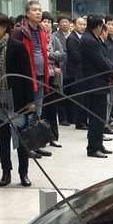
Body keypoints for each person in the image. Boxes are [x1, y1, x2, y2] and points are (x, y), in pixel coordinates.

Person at [0, 13, 33, 187]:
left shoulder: (17, 46)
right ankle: (6, 172)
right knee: (2, 139)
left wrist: (30, 101)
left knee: (21, 138)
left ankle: (23, 172)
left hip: (17, 100)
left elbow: (27, 75)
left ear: (5, 27)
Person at [12, 0, 52, 157]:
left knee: (37, 112)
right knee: (27, 113)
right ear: (27, 13)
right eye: (34, 10)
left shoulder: (42, 31)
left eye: (40, 10)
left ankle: (36, 144)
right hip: (27, 79)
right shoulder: (20, 32)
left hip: (41, 77)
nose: (38, 12)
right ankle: (26, 147)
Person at [80, 14, 113, 158]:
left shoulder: (93, 38)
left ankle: (98, 144)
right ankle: (93, 148)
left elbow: (104, 58)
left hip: (99, 83)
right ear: (98, 26)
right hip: (94, 84)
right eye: (103, 25)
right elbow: (100, 62)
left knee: (100, 117)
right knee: (96, 118)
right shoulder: (89, 40)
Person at [41, 11, 66, 148]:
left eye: (49, 22)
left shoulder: (55, 39)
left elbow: (61, 55)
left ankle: (53, 137)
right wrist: (52, 55)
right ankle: (41, 138)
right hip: (41, 76)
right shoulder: (37, 38)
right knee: (42, 109)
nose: (47, 24)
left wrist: (48, 54)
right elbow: (39, 56)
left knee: (52, 108)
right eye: (44, 21)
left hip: (53, 78)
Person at [65, 16, 87, 130]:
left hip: (83, 73)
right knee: (79, 99)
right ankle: (80, 123)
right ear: (74, 25)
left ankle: (83, 121)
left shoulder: (82, 37)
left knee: (83, 99)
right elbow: (76, 56)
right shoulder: (71, 38)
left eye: (84, 25)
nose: (83, 27)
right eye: (80, 24)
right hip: (76, 73)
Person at [53, 13, 73, 126]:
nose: (64, 24)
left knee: (71, 93)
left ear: (70, 23)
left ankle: (71, 116)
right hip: (60, 67)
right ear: (59, 24)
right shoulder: (55, 36)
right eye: (62, 22)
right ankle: (62, 118)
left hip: (71, 67)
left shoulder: (73, 35)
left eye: (66, 22)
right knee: (61, 93)